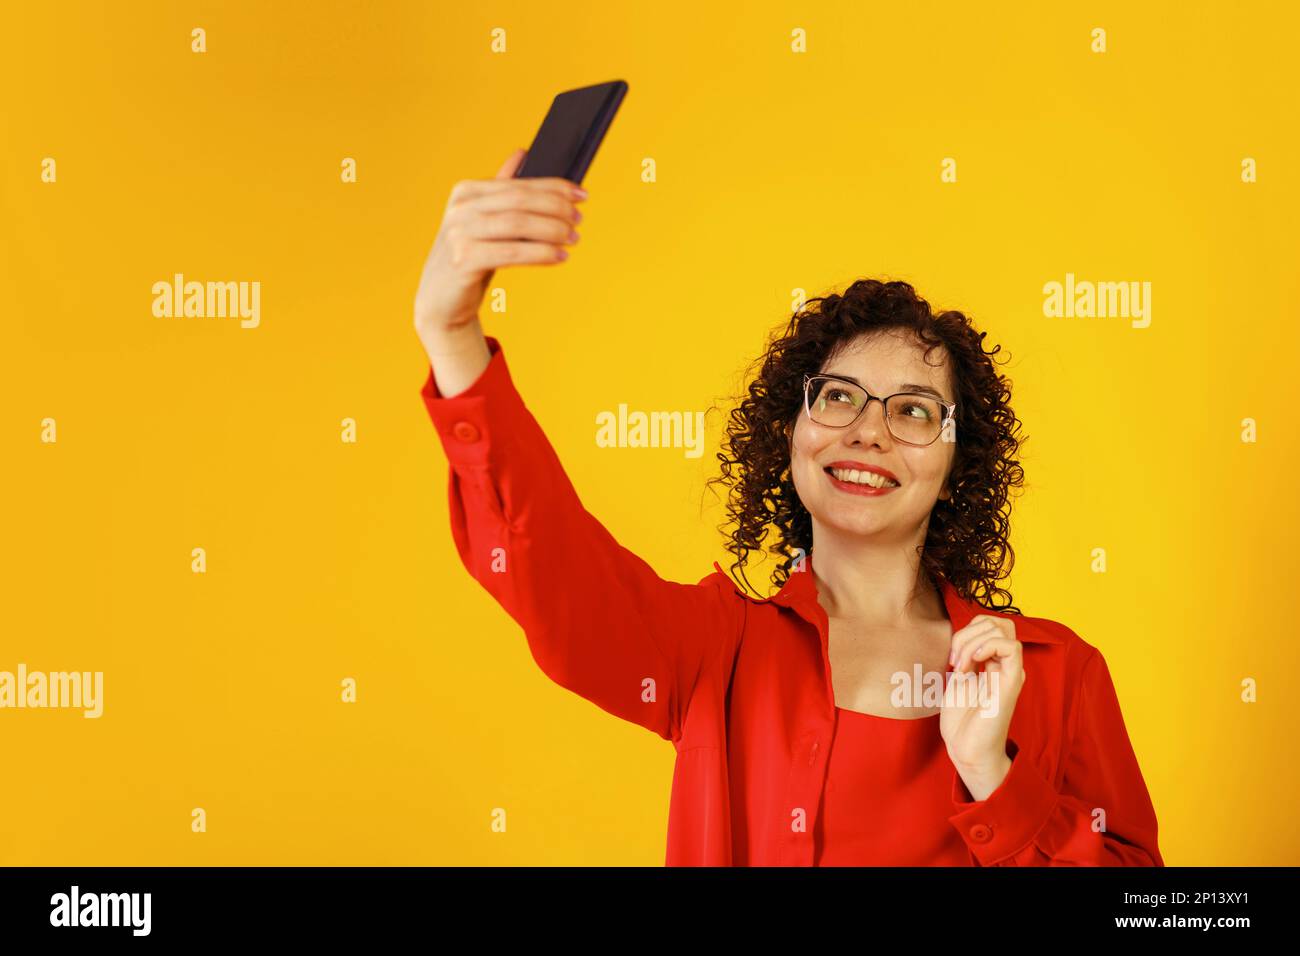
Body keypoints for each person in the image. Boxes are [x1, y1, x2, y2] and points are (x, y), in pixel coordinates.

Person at [410, 148, 1165, 867]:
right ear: (792, 431)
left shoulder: (1058, 675)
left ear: (956, 462)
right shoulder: (712, 654)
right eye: (838, 398)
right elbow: (552, 568)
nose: (869, 431)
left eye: (912, 411)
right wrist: (452, 336)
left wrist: (996, 777)